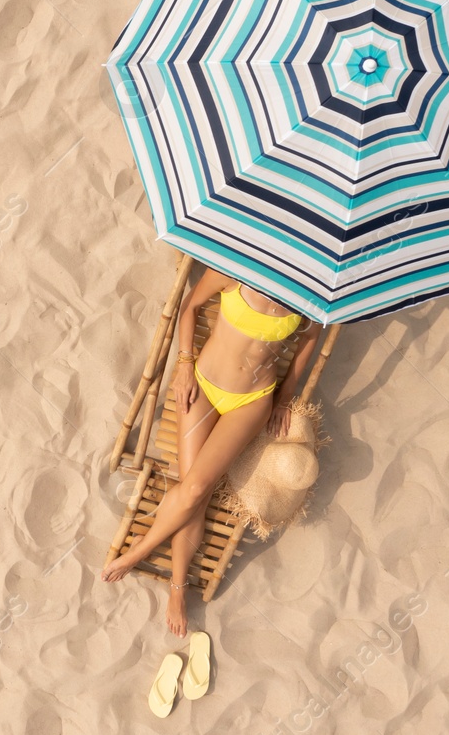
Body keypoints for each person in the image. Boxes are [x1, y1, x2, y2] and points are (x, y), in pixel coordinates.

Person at [101, 267, 323, 635]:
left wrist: (285, 397)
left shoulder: (307, 297)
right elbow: (190, 307)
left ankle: (145, 551)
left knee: (194, 489)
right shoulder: (236, 271)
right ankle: (177, 585)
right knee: (195, 494)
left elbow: (310, 340)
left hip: (251, 401)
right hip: (203, 385)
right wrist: (185, 363)